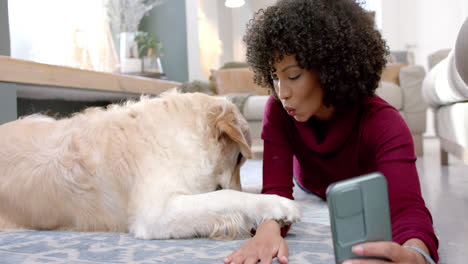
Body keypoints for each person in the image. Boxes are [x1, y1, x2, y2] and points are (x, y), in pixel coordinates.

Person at [223, 0, 439, 263]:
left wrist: (416, 255)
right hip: (312, 183)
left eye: (292, 76)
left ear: (329, 69)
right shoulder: (279, 110)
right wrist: (269, 228)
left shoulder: (385, 123)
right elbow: (276, 191)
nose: (282, 92)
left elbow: (407, 209)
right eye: (275, 77)